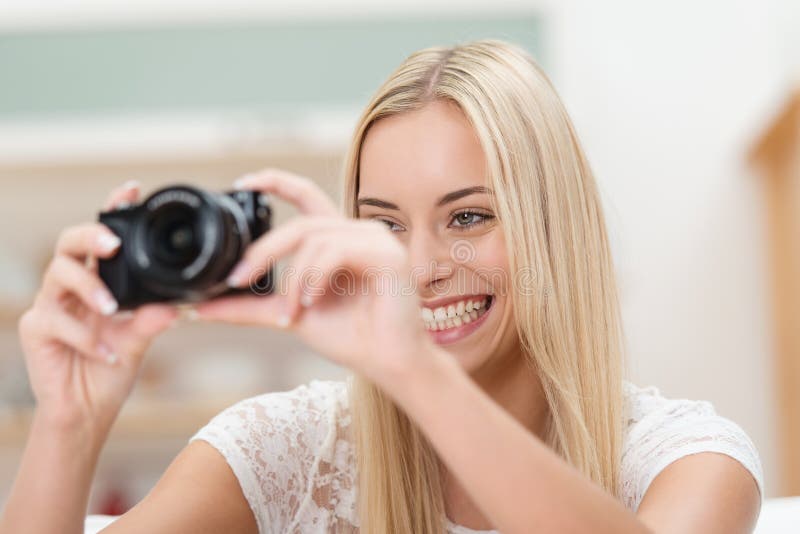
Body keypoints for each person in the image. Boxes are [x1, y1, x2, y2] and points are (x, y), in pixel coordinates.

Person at [0, 39, 763, 534]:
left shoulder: (685, 462)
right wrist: (69, 424)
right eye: (385, 225)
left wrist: (413, 370)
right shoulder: (286, 449)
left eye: (468, 216)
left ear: (554, 225)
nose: (422, 269)